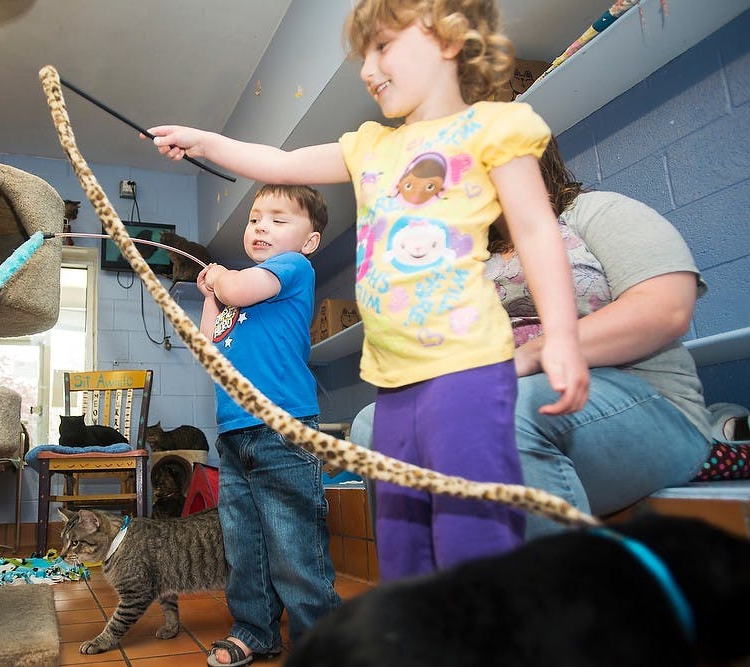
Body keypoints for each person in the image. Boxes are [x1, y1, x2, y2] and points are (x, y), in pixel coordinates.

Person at [150, 0, 589, 585]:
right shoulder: (370, 148)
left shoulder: (496, 129)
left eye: (382, 47)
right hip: (392, 382)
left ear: (449, 39)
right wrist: (205, 141)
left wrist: (560, 333)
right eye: (363, 55)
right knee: (403, 542)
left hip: (469, 368)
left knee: (472, 529)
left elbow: (536, 230)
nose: (366, 67)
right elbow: (280, 159)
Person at [486, 137, 713, 538]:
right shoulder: (470, 260)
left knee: (505, 410)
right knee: (377, 424)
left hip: (647, 402)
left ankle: (561, 597)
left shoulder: (594, 212)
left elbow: (666, 309)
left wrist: (534, 353)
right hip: (505, 415)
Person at [197, 184, 341, 667]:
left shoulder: (290, 269)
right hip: (236, 432)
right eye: (256, 218)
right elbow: (208, 345)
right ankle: (254, 631)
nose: (261, 226)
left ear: (308, 241)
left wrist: (220, 278)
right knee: (246, 545)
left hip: (283, 430)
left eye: (279, 220)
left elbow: (237, 287)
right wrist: (209, 297)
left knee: (293, 545)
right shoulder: (240, 289)